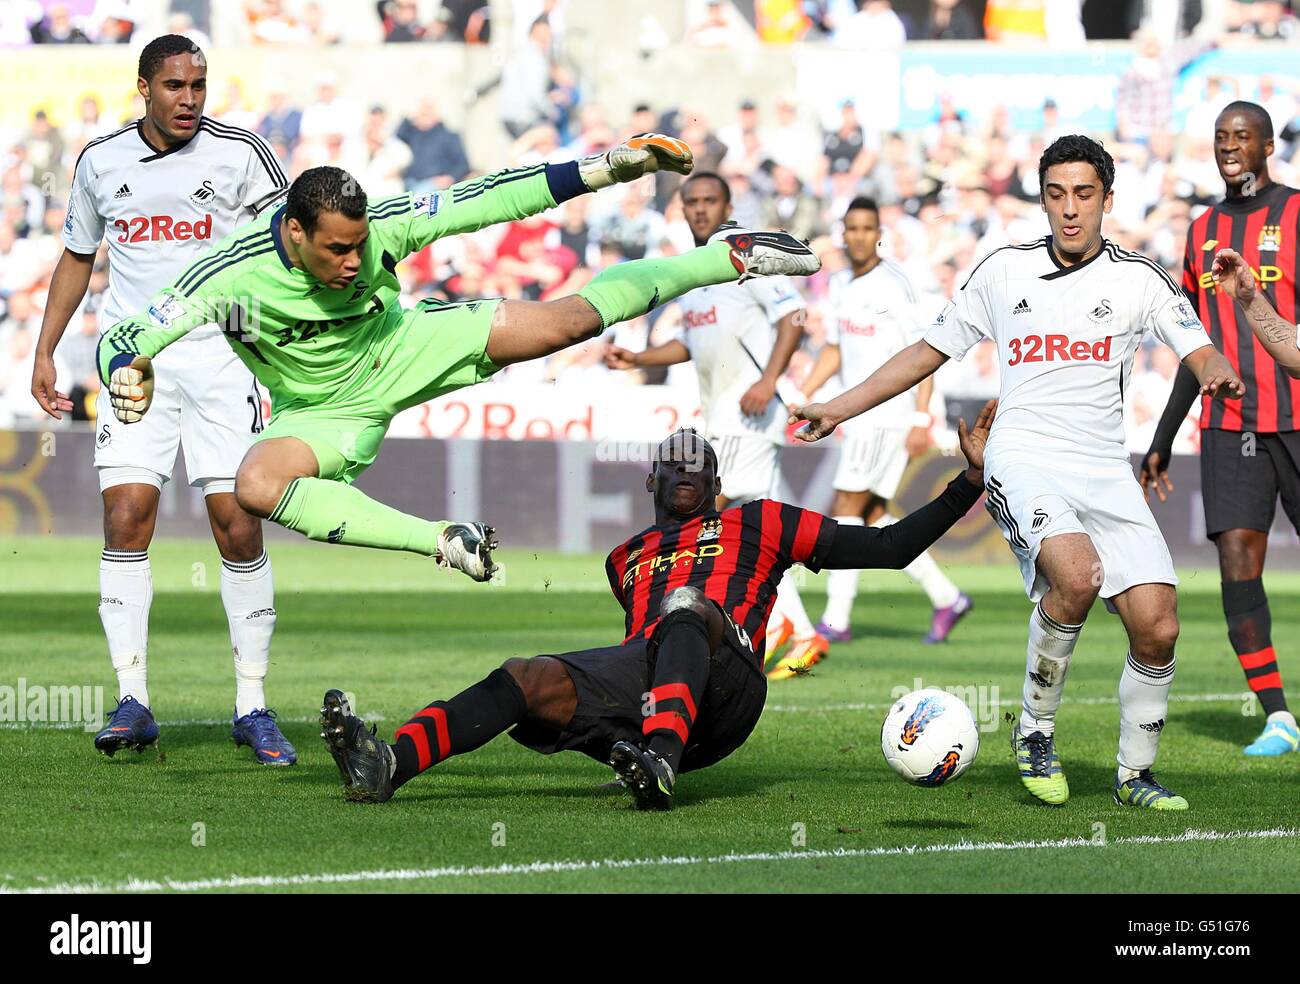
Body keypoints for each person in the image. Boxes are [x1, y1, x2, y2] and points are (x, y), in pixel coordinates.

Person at [96, 139, 822, 585]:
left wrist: (600, 170)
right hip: (319, 412)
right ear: (293, 231)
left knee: (565, 322)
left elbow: (488, 200)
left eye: (360, 246)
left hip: (402, 347)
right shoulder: (233, 275)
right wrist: (127, 369)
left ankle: (722, 257)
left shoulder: (382, 227)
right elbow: (130, 334)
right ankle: (446, 541)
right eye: (337, 250)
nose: (356, 261)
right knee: (255, 482)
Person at [793, 135, 1245, 810]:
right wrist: (837, 405)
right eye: (1056, 194)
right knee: (1075, 574)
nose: (1070, 210)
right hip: (1023, 454)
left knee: (1158, 625)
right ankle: (1035, 731)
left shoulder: (1139, 278)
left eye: (1084, 194)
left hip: (1103, 468)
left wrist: (1216, 375)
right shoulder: (1002, 272)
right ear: (1042, 198)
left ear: (1108, 200)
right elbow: (925, 353)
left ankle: (1134, 775)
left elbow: (1197, 347)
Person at [319, 417, 994, 809]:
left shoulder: (760, 522)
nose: (686, 469)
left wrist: (967, 482)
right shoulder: (625, 557)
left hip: (727, 690)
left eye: (699, 463)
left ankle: (660, 762)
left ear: (718, 485)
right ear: (653, 481)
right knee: (526, 676)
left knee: (683, 608)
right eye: (673, 464)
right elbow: (636, 652)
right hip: (655, 679)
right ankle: (388, 765)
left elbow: (889, 545)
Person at [30, 35, 293, 765]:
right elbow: (78, 257)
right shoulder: (100, 160)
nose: (189, 98)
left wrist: (269, 345)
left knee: (237, 523)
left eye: (199, 86)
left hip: (220, 357)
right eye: (175, 85)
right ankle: (134, 699)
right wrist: (45, 349)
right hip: (134, 363)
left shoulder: (244, 154)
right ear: (143, 87)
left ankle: (252, 704)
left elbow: (285, 249)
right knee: (125, 516)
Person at [604, 171, 824, 680]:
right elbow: (691, 345)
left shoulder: (741, 254)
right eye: (693, 202)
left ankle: (771, 631)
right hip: (722, 417)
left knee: (705, 522)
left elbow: (793, 317)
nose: (701, 209)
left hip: (747, 416)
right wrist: (638, 355)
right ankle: (800, 633)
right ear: (682, 209)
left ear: (727, 204)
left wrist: (769, 380)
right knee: (752, 533)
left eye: (710, 200)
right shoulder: (696, 273)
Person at [1142, 101, 1300, 756]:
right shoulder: (1202, 228)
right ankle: (1278, 717)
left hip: (1296, 415)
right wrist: (1162, 436)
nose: (1230, 147)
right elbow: (1192, 341)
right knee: (1237, 558)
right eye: (1221, 137)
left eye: (1242, 137)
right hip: (1228, 423)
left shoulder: (1295, 213)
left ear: (1267, 146)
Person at [800, 197, 971, 645]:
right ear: (843, 233)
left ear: (878, 233)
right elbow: (836, 349)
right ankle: (946, 596)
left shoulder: (897, 284)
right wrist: (803, 396)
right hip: (855, 417)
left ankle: (836, 619)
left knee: (845, 508)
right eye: (850, 228)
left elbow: (926, 353)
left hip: (884, 416)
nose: (857, 236)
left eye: (865, 228)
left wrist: (920, 415)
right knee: (873, 517)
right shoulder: (839, 283)